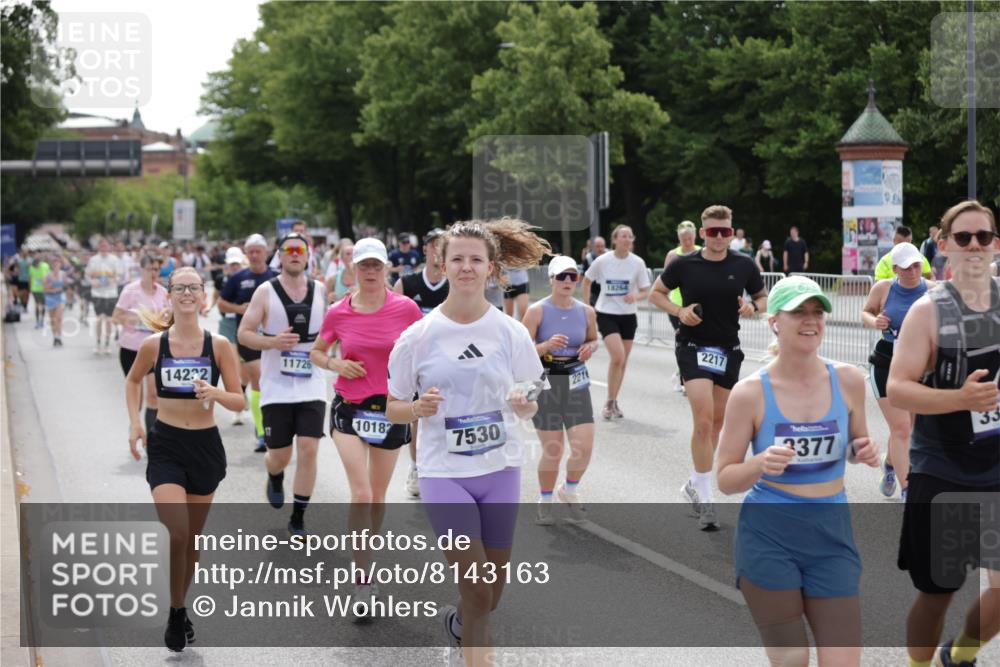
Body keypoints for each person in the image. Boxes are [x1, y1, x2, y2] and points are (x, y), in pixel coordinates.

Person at [385, 218, 549, 666]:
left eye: (475, 259)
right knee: (476, 587)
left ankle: (458, 626)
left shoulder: (509, 332)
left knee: (489, 596)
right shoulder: (418, 336)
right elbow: (392, 405)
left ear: (492, 268)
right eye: (457, 259)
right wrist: (416, 410)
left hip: (499, 470)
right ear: (443, 263)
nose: (466, 267)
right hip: (444, 473)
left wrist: (523, 401)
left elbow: (535, 390)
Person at [716, 275, 879, 667]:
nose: (811, 320)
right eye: (798, 313)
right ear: (775, 321)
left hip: (831, 536)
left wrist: (863, 451)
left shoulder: (850, 379)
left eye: (817, 312)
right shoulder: (751, 392)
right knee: (791, 661)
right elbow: (723, 478)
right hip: (770, 538)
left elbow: (856, 443)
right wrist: (758, 463)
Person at [887, 200, 1000, 667]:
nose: (974, 246)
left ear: (995, 245)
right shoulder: (927, 311)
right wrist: (961, 399)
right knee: (939, 592)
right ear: (944, 246)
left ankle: (961, 653)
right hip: (945, 469)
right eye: (963, 237)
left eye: (983, 237)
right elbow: (897, 388)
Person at [125, 266, 244, 652]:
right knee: (176, 532)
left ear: (203, 296)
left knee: (192, 539)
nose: (188, 293)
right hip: (167, 445)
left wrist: (215, 393)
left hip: (206, 447)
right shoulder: (154, 345)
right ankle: (176, 609)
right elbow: (132, 380)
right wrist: (134, 424)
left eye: (194, 287)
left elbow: (239, 398)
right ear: (170, 296)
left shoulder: (219, 346)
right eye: (180, 288)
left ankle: (179, 605)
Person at [311, 236, 422, 617]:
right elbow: (316, 351)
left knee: (376, 497)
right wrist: (336, 365)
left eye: (377, 265)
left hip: (390, 411)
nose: (371, 272)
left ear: (387, 268)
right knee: (360, 493)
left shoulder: (406, 309)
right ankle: (361, 579)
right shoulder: (338, 312)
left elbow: (426, 348)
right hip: (350, 410)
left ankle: (366, 557)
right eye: (364, 266)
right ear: (351, 270)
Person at [651, 205, 768, 530]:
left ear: (732, 232)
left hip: (728, 348)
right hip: (692, 346)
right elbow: (655, 293)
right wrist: (679, 310)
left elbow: (763, 298)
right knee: (702, 421)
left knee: (717, 424)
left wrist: (752, 306)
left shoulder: (744, 265)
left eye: (725, 231)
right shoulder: (684, 265)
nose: (719, 237)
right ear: (703, 233)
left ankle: (693, 482)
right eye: (713, 231)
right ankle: (706, 497)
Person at [239, 233, 330, 536]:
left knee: (308, 448)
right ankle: (274, 474)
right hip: (276, 385)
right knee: (280, 456)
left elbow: (335, 330)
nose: (294, 254)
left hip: (312, 384)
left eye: (299, 250)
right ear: (279, 255)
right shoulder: (266, 291)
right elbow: (244, 333)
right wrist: (272, 342)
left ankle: (298, 516)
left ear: (308, 255)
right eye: (288, 250)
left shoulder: (320, 290)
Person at [522, 255, 598, 525]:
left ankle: (569, 489)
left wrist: (591, 347)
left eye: (572, 276)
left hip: (577, 379)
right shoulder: (537, 311)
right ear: (551, 280)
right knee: (553, 449)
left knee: (584, 447)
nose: (567, 281)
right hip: (547, 381)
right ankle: (544, 500)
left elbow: (593, 338)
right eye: (561, 276)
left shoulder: (586, 311)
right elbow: (520, 350)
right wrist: (544, 347)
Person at [860, 242, 931, 502]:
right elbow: (866, 312)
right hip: (886, 361)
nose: (913, 271)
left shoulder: (931, 290)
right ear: (895, 269)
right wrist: (874, 320)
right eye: (906, 267)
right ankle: (907, 489)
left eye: (916, 265)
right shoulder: (884, 288)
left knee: (908, 427)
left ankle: (891, 465)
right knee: (901, 428)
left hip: (918, 364)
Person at [394, 229, 450, 497]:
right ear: (425, 250)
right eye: (433, 246)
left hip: (450, 360)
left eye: (443, 246)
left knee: (450, 414)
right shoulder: (407, 283)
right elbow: (394, 324)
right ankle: (416, 468)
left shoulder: (457, 284)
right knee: (418, 417)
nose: (438, 251)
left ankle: (447, 467)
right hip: (417, 361)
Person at [581, 224, 651, 420]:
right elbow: (586, 281)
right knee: (618, 357)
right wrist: (588, 307)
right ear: (615, 240)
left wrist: (635, 296)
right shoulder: (603, 261)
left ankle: (613, 401)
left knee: (623, 362)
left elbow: (646, 290)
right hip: (606, 313)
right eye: (623, 236)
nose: (627, 239)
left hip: (628, 316)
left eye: (630, 236)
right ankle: (609, 403)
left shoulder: (637, 262)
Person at [218, 234, 275, 452]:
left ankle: (274, 425)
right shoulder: (238, 278)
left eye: (257, 251)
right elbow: (222, 303)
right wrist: (238, 309)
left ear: (265, 253)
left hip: (273, 338)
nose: (254, 255)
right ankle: (261, 432)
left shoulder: (276, 277)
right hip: (248, 337)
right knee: (258, 378)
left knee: (272, 382)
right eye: (250, 251)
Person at [114, 254, 169, 435]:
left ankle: (153, 439)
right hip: (131, 348)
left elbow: (169, 318)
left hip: (154, 348)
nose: (153, 273)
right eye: (149, 269)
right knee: (136, 398)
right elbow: (116, 316)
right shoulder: (130, 291)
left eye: (156, 269)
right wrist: (135, 318)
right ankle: (135, 425)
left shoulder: (163, 292)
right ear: (141, 270)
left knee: (153, 395)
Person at [663, 221, 702, 394]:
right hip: (677, 306)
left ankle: (686, 373)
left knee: (698, 340)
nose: (687, 242)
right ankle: (684, 377)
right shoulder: (673, 255)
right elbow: (664, 281)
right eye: (684, 239)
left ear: (695, 236)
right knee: (684, 340)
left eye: (690, 238)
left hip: (698, 305)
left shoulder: (702, 251)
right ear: (679, 239)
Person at [86, 238, 122, 353]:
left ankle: (107, 344)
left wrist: (114, 280)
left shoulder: (114, 260)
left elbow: (119, 275)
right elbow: (87, 275)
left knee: (109, 320)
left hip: (111, 293)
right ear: (99, 247)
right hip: (97, 293)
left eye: (106, 246)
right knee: (99, 319)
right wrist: (92, 282)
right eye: (102, 246)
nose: (104, 248)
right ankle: (97, 343)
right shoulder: (93, 260)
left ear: (109, 247)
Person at [42, 257, 66, 346]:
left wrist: (61, 288)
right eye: (54, 264)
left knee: (58, 318)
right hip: (50, 298)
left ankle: (59, 337)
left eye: (57, 263)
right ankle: (55, 337)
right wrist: (52, 288)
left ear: (60, 265)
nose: (56, 265)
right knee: (53, 320)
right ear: (52, 265)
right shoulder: (47, 275)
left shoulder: (63, 274)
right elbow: (44, 289)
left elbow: (66, 286)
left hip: (60, 297)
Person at [580, 236, 606, 307]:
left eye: (602, 246)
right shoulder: (588, 258)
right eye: (598, 246)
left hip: (607, 291)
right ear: (594, 247)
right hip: (593, 291)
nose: (600, 249)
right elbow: (582, 276)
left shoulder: (610, 257)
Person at [28, 252, 50, 330]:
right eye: (35, 267)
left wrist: (48, 287)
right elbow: (30, 278)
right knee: (37, 305)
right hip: (35, 289)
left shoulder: (45, 266)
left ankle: (42, 321)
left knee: (43, 305)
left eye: (37, 266)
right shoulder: (31, 267)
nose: (37, 267)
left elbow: (49, 277)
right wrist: (30, 288)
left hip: (43, 289)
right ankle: (38, 322)